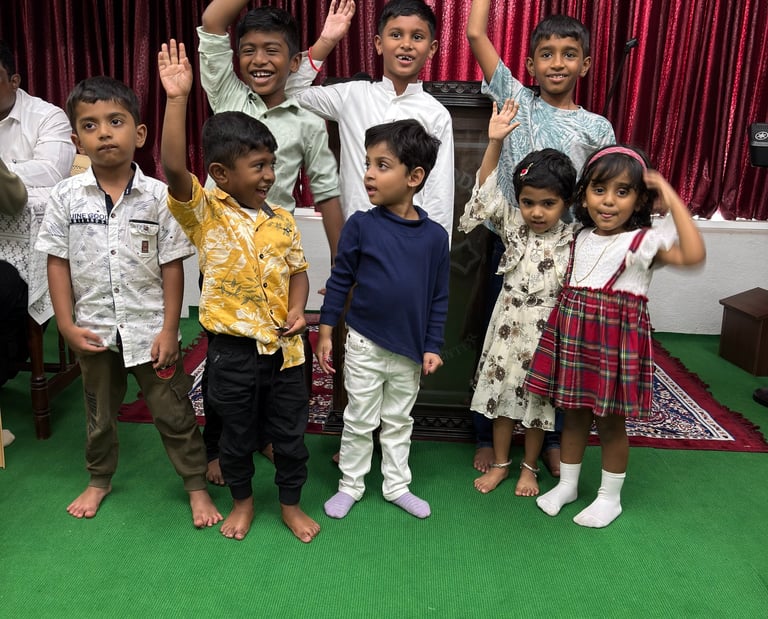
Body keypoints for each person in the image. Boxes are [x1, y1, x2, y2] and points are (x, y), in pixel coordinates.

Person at [35, 76, 221, 528]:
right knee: (98, 414)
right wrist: (65, 324)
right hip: (94, 330)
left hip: (150, 332)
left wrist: (170, 330)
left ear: (139, 134)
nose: (104, 133)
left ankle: (195, 485)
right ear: (77, 140)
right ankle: (99, 479)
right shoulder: (64, 196)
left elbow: (172, 266)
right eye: (91, 125)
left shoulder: (159, 197)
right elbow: (57, 262)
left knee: (173, 411)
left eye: (115, 122)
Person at [159, 40, 319, 543]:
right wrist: (177, 99)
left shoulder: (283, 220)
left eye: (272, 164)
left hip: (288, 353)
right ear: (221, 175)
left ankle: (290, 505)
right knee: (234, 435)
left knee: (290, 436)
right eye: (259, 166)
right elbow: (172, 168)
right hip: (232, 354)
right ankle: (244, 504)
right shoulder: (205, 213)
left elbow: (299, 273)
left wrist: (298, 308)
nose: (270, 175)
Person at [197, 1, 344, 485]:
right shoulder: (227, 93)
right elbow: (213, 22)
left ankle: (268, 434)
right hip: (224, 260)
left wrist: (343, 268)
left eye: (272, 50)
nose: (259, 60)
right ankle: (217, 445)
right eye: (249, 50)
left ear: (295, 61)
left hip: (276, 261)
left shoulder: (308, 121)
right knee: (225, 360)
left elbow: (327, 194)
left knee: (280, 352)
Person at [466, 0, 615, 474]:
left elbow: (604, 189)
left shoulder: (597, 127)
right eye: (546, 54)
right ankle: (486, 435)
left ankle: (550, 439)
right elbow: (475, 34)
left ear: (585, 64)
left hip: (565, 254)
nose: (557, 63)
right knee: (497, 338)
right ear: (530, 64)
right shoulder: (516, 97)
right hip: (510, 244)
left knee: (556, 345)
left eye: (569, 54)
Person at [524, 145, 706, 528]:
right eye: (599, 189)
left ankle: (609, 498)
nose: (608, 201)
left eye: (622, 192)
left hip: (613, 345)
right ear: (583, 195)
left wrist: (670, 195)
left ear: (640, 199)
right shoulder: (579, 237)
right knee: (573, 416)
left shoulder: (642, 243)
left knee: (609, 423)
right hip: (574, 340)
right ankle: (568, 486)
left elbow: (693, 255)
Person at [316, 119, 449, 520]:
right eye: (368, 164)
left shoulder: (435, 237)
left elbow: (439, 297)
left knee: (398, 421)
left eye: (382, 165)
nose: (369, 174)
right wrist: (326, 332)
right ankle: (350, 485)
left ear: (414, 177)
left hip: (409, 351)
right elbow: (340, 280)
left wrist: (432, 345)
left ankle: (396, 486)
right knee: (359, 419)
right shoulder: (360, 225)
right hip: (364, 343)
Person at [459, 100, 578, 497]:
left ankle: (530, 468)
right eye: (529, 202)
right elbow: (485, 193)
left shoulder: (573, 239)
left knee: (538, 406)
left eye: (548, 204)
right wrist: (494, 142)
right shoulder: (512, 226)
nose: (536, 212)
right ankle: (501, 464)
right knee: (501, 399)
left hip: (546, 337)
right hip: (507, 331)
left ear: (566, 203)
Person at [286, 0, 454, 238]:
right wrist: (326, 41)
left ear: (432, 48)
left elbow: (439, 195)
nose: (406, 44)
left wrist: (433, 252)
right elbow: (291, 93)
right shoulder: (352, 95)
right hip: (353, 240)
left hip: (408, 243)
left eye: (417, 37)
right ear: (378, 44)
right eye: (396, 35)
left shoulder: (436, 114)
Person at [0, 40, 75, 387]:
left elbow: (52, 172)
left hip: (34, 246)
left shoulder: (47, 116)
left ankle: (11, 355)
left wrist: (5, 171)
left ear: (14, 80)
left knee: (7, 284)